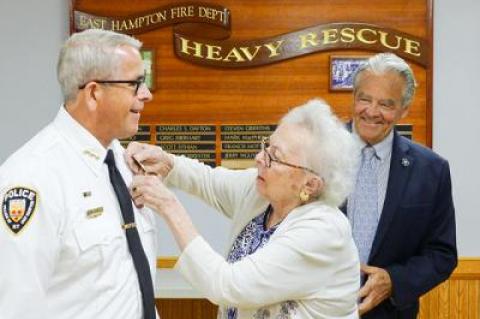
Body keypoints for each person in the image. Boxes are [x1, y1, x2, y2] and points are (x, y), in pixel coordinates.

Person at [126, 99, 361, 318]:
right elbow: (208, 181)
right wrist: (168, 164)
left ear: (310, 184)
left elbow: (228, 286)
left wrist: (169, 206)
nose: (259, 158)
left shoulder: (323, 232)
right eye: (266, 147)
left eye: (275, 157)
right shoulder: (263, 193)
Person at [0, 29, 159, 319]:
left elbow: (127, 284)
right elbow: (16, 307)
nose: (147, 94)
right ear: (95, 93)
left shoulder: (120, 162)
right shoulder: (33, 177)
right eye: (135, 83)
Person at [344, 52, 457, 318]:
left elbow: (442, 254)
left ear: (404, 109)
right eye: (364, 99)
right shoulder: (314, 152)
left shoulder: (431, 170)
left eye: (386, 104)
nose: (371, 112)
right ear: (353, 98)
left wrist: (394, 280)